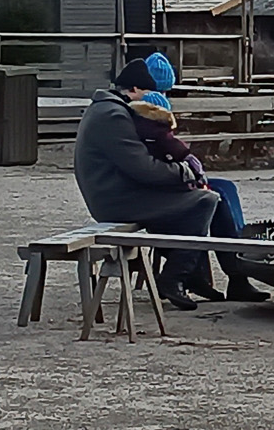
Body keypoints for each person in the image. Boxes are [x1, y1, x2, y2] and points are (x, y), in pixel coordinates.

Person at [74, 58, 219, 310]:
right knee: (205, 200)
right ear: (133, 90)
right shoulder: (113, 116)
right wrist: (184, 172)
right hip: (116, 201)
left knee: (210, 195)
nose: (154, 100)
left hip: (122, 192)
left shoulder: (111, 109)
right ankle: (174, 277)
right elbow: (144, 169)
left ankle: (200, 275)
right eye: (150, 93)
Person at [126, 91, 267, 302]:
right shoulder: (149, 136)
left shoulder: (150, 134)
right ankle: (232, 275)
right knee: (214, 200)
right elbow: (156, 168)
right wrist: (188, 174)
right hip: (158, 195)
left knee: (223, 190)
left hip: (167, 187)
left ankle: (226, 272)